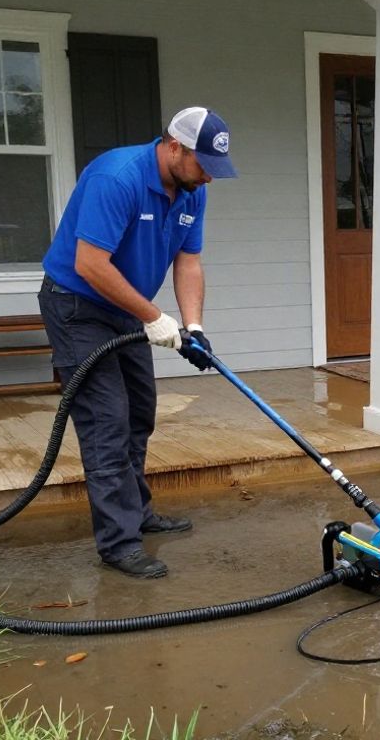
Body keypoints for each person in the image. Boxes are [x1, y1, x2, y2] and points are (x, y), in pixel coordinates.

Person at [38, 107, 237, 578]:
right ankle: (119, 543)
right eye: (203, 164)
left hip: (126, 309)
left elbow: (189, 261)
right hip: (77, 305)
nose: (209, 176)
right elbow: (90, 264)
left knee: (138, 413)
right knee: (106, 422)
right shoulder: (117, 177)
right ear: (174, 146)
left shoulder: (190, 191)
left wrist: (193, 326)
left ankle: (137, 511)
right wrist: (153, 317)